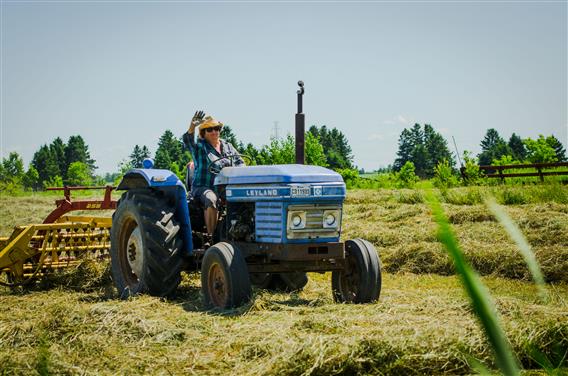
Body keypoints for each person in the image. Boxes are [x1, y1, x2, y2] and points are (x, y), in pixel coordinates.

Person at [183, 110, 244, 237]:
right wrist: (192, 127)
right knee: (211, 199)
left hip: (226, 187)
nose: (214, 132)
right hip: (204, 187)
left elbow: (240, 162)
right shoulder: (200, 147)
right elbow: (188, 142)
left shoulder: (228, 146)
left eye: (216, 128)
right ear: (203, 133)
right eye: (209, 129)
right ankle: (211, 238)